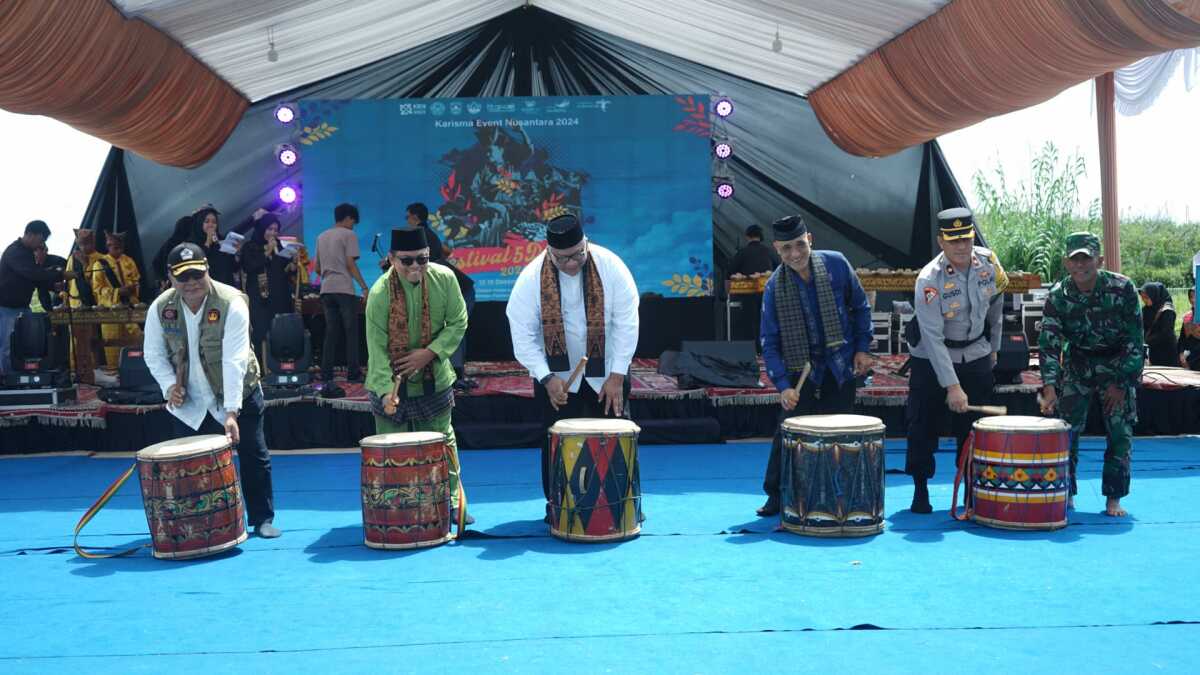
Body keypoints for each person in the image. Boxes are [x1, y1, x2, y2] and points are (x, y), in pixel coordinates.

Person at [505, 213, 640, 518]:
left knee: (616, 439)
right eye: (563, 258)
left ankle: (622, 507)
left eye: (578, 254)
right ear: (549, 252)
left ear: (586, 244)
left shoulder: (612, 267)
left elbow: (627, 324)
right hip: (558, 378)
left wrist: (618, 375)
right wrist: (546, 377)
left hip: (609, 373)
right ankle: (559, 508)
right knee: (556, 444)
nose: (571, 263)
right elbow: (522, 335)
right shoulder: (530, 279)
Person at [141, 243, 280, 538]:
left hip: (238, 393)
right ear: (170, 277)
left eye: (197, 274)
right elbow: (153, 354)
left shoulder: (232, 303)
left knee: (254, 456)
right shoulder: (160, 308)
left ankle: (262, 519)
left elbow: (234, 359)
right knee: (190, 467)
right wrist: (169, 386)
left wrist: (231, 412)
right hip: (191, 402)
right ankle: (201, 523)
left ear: (207, 270)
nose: (191, 283)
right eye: (183, 277)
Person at [755, 215, 873, 517]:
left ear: (810, 239)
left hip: (839, 364)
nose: (794, 254)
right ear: (776, 249)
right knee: (788, 432)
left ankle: (843, 495)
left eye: (799, 245)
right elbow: (769, 342)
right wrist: (782, 386)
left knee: (841, 433)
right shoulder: (773, 287)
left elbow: (860, 308)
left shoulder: (837, 264)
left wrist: (862, 348)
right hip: (800, 371)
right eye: (786, 249)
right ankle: (776, 496)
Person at [904, 207, 1007, 514]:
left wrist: (994, 349)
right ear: (941, 242)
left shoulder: (989, 262)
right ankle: (920, 489)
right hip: (932, 356)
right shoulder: (929, 279)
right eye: (954, 241)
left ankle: (971, 492)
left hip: (975, 351)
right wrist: (952, 386)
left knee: (975, 428)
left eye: (966, 238)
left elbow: (997, 307)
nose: (962, 246)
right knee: (922, 424)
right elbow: (933, 337)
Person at [365, 227, 471, 522]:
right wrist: (387, 392)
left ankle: (452, 503)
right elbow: (376, 349)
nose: (415, 267)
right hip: (391, 382)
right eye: (407, 260)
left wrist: (429, 353)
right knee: (393, 450)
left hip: (434, 374)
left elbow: (459, 321)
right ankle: (400, 509)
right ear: (391, 258)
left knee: (443, 442)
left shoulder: (445, 278)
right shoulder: (378, 294)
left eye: (422, 260)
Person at [1040, 232, 1144, 518]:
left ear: (1099, 260)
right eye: (1075, 261)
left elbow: (1136, 341)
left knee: (1120, 432)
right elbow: (1049, 344)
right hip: (1079, 365)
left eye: (1087, 260)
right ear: (1066, 263)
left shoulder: (1122, 288)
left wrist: (1121, 383)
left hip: (1117, 364)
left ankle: (1114, 498)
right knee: (1067, 433)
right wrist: (1049, 385)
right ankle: (1067, 492)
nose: (1080, 266)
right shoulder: (1058, 295)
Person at [408, 201, 477, 389]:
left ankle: (456, 375)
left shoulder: (422, 238)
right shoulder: (429, 236)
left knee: (454, 329)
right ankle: (453, 372)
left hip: (463, 290)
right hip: (458, 289)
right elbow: (446, 251)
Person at [0, 221, 69, 375]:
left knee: (24, 344)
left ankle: (20, 377)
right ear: (30, 234)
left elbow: (34, 278)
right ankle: (8, 381)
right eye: (41, 239)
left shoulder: (26, 253)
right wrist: (59, 274)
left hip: (22, 307)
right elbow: (32, 274)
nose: (41, 243)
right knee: (8, 346)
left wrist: (54, 286)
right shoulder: (15, 252)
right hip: (6, 308)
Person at [315, 203, 369, 382]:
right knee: (351, 332)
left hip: (326, 289)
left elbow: (317, 268)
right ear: (348, 218)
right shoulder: (349, 234)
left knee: (331, 332)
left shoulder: (321, 236)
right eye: (354, 221)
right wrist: (364, 286)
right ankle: (353, 373)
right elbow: (350, 264)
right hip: (344, 288)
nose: (354, 225)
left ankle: (326, 373)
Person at [240, 212, 299, 362]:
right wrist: (266, 251)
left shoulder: (279, 246)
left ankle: (280, 365)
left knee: (280, 330)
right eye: (269, 229)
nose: (273, 233)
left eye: (275, 229)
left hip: (279, 296)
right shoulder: (250, 247)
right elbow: (249, 266)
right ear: (261, 229)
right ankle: (262, 366)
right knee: (261, 331)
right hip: (260, 298)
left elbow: (283, 270)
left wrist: (292, 265)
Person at [93, 231, 143, 369]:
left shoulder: (129, 261)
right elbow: (97, 289)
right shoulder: (100, 264)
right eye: (113, 247)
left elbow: (136, 280)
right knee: (112, 344)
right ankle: (114, 372)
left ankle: (134, 371)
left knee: (134, 342)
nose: (117, 250)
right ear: (108, 246)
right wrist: (116, 292)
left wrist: (133, 287)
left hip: (129, 307)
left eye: (119, 247)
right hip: (110, 311)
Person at [196, 205, 242, 289]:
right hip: (207, 288)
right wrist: (207, 242)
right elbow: (198, 264)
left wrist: (236, 252)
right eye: (207, 221)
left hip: (226, 286)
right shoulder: (194, 242)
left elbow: (234, 268)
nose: (211, 225)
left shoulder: (222, 240)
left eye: (214, 222)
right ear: (200, 223)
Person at [152, 215, 204, 288]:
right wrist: (163, 279)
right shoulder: (184, 245)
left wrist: (162, 279)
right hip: (177, 283)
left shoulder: (171, 241)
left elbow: (155, 262)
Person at [1140, 282, 1178, 367]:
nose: (1144, 300)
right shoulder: (1146, 309)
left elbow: (1166, 333)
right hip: (1153, 350)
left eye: (1146, 297)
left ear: (1154, 295)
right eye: (1142, 298)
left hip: (1167, 351)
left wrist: (1147, 340)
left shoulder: (1167, 310)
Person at [1178, 288, 1199, 370]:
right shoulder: (1187, 317)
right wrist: (1181, 355)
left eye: (1196, 297)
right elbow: (1181, 340)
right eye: (1190, 297)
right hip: (1190, 362)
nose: (1193, 300)